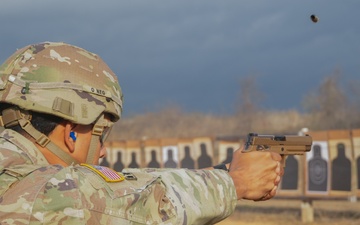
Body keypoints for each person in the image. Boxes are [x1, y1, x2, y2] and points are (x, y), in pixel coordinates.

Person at [0, 42, 283, 224]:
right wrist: (235, 182)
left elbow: (126, 189)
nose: (103, 150)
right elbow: (136, 202)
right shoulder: (38, 194)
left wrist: (223, 171)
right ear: (71, 132)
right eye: (102, 133)